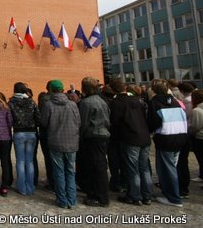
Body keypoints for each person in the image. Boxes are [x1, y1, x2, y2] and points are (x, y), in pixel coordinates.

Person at [108, 78, 152, 206]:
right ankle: (147, 195)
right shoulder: (138, 100)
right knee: (144, 168)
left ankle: (135, 195)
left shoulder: (117, 102)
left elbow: (114, 121)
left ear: (113, 89)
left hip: (130, 137)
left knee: (132, 169)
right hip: (144, 136)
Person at [40, 80, 80, 209]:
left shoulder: (48, 105)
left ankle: (62, 200)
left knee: (59, 171)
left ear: (51, 90)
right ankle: (72, 200)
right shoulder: (72, 104)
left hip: (55, 141)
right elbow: (78, 122)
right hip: (71, 142)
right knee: (70, 171)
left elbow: (44, 123)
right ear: (62, 89)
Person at [148, 79, 188, 207]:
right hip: (180, 135)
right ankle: (170, 193)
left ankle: (174, 198)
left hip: (165, 137)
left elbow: (153, 122)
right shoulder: (176, 101)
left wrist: (150, 131)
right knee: (172, 167)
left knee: (167, 169)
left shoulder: (154, 102)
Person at [79, 77, 111, 207]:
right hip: (103, 135)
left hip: (93, 136)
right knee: (100, 166)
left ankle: (100, 197)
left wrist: (80, 136)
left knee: (96, 167)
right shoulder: (102, 100)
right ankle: (98, 194)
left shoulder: (86, 103)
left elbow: (83, 122)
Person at [9, 82, 40, 196]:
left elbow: (9, 118)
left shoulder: (11, 102)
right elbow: (38, 117)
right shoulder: (31, 101)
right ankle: (30, 187)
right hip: (31, 132)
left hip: (19, 132)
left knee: (20, 161)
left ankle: (21, 187)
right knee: (30, 161)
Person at [176, 81, 194, 198]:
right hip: (186, 131)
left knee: (181, 162)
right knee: (183, 162)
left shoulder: (186, 102)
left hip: (186, 130)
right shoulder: (188, 100)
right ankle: (183, 186)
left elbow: (185, 116)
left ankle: (182, 187)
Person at [190, 89, 203, 183]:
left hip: (200, 137)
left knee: (201, 158)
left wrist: (190, 132)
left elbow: (196, 126)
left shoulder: (197, 110)